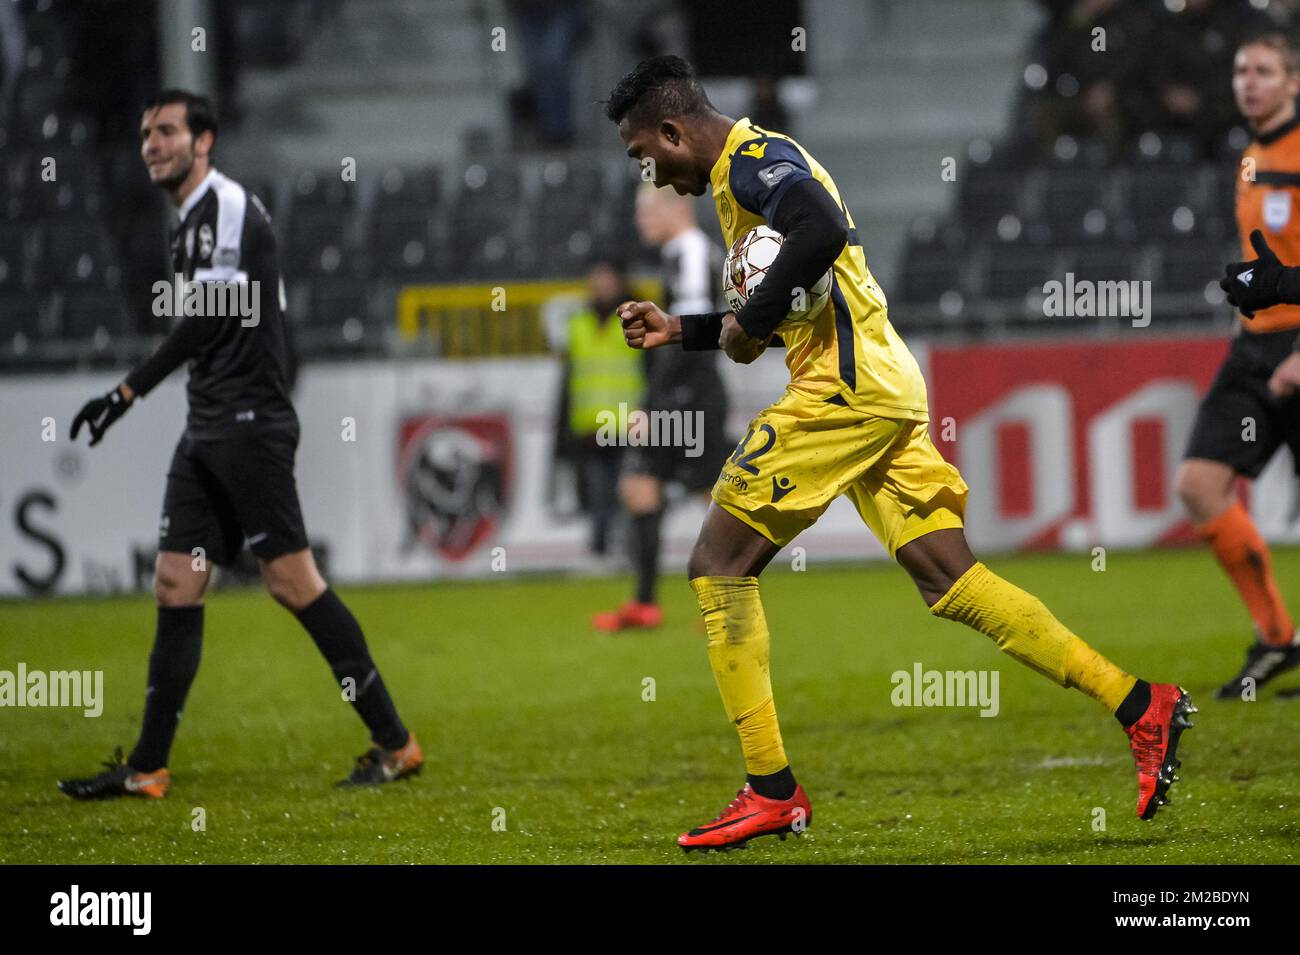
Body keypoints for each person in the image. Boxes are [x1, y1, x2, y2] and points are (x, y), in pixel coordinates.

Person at [606, 55, 1195, 851]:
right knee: (951, 580)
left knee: (717, 564)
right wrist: (689, 328)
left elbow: (821, 230)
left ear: (673, 131)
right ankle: (1140, 703)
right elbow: (797, 295)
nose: (651, 175)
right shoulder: (747, 171)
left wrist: (757, 314)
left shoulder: (753, 163)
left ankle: (771, 789)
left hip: (844, 390)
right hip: (881, 383)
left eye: (647, 154)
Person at [58, 90, 420, 800]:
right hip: (208, 428)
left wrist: (126, 392)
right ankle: (148, 766)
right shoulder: (188, 221)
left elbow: (211, 315)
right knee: (175, 580)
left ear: (205, 141)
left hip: (249, 426)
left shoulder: (225, 206)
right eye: (144, 134)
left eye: (166, 131)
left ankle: (396, 742)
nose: (151, 144)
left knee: (292, 582)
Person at [1182, 34, 1300, 702]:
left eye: (1264, 71)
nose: (1248, 82)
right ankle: (1279, 635)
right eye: (1240, 71)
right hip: (1254, 347)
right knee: (1199, 484)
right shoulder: (1251, 157)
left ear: (1293, 81)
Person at [592, 183, 729, 631]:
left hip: (691, 395)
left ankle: (726, 604)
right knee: (643, 483)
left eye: (646, 210)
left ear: (676, 208)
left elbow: (687, 335)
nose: (640, 221)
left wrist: (653, 404)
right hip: (689, 393)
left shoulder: (690, 253)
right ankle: (648, 603)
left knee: (709, 494)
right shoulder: (684, 254)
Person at [562, 257, 645, 560]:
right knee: (597, 496)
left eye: (606, 279)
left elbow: (647, 371)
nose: (600, 285)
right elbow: (569, 382)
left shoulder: (634, 320)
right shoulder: (578, 324)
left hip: (627, 427)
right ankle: (599, 553)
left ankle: (630, 553)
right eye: (596, 279)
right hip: (590, 428)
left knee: (630, 492)